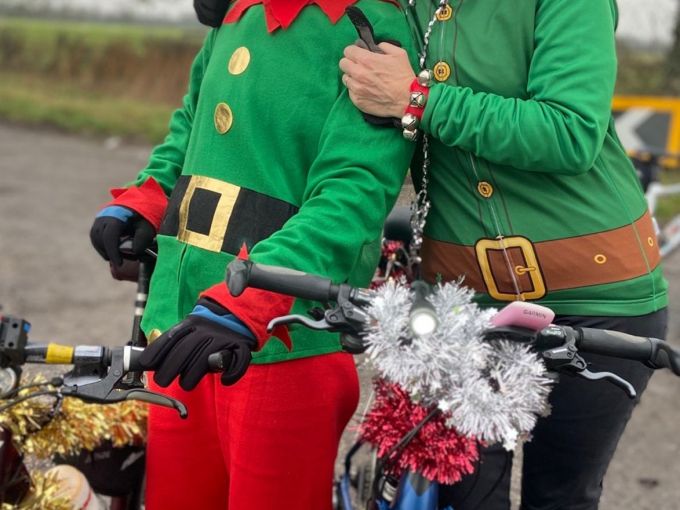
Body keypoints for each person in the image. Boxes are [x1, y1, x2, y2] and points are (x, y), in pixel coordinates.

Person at [339, 1, 668, 509]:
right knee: (462, 496)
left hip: (599, 296)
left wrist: (418, 99)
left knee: (560, 497)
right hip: (461, 301)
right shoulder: (400, 7)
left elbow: (570, 131)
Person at [89, 1, 415, 508]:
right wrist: (146, 198)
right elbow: (191, 127)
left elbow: (351, 195)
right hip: (181, 333)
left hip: (282, 344)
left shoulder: (370, 23)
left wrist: (251, 299)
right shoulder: (236, 12)